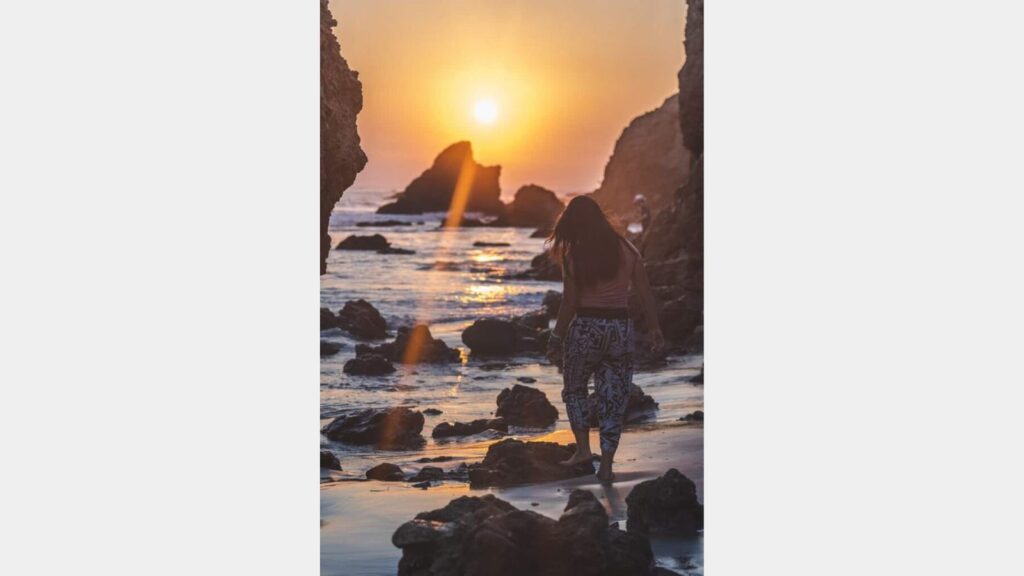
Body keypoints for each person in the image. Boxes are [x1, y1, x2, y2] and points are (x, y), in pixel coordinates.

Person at [546, 196, 664, 483]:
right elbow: (645, 293)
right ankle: (607, 466)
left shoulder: (574, 256)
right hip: (619, 329)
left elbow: (569, 303)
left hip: (585, 328)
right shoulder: (628, 249)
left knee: (574, 390)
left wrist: (556, 336)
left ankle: (584, 450)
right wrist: (654, 329)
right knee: (614, 398)